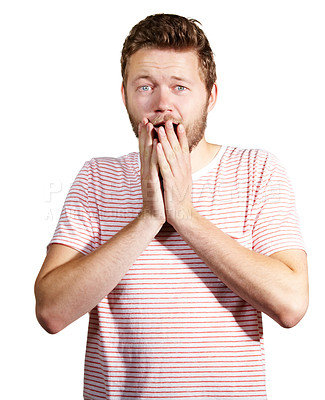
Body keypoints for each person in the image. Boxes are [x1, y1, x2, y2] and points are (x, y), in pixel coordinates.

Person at [34, 13, 309, 400]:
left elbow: (292, 304)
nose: (162, 104)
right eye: (145, 86)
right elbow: (51, 311)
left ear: (211, 96)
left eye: (180, 87)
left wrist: (185, 216)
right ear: (125, 95)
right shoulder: (98, 178)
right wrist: (149, 219)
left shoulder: (257, 171)